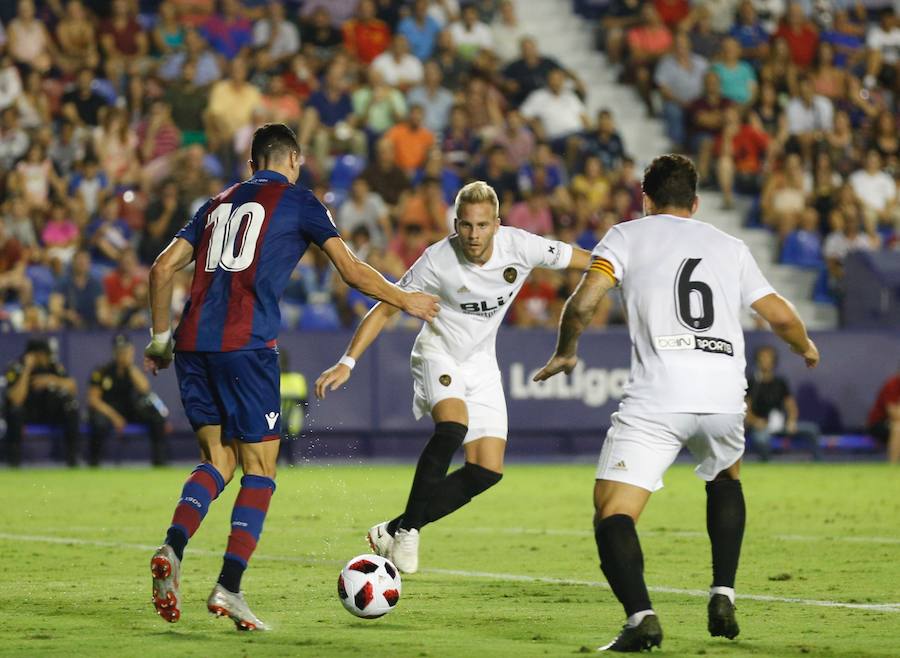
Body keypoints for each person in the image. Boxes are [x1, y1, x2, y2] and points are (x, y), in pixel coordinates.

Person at [143, 123, 439, 630]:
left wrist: (159, 336)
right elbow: (349, 270)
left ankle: (173, 545)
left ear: (252, 163)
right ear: (295, 160)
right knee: (260, 470)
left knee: (217, 460)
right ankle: (229, 588)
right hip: (247, 345)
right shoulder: (300, 201)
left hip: (193, 344)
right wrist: (405, 297)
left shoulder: (215, 203)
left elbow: (161, 267)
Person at [533, 154, 820, 651]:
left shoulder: (625, 236)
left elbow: (583, 302)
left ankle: (641, 617)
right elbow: (779, 313)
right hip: (724, 394)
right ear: (696, 201)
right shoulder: (730, 246)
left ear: (645, 199)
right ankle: (723, 591)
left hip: (659, 395)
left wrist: (566, 351)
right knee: (726, 477)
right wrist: (804, 346)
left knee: (613, 512)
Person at [315, 181, 591, 574]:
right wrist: (348, 361)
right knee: (452, 429)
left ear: (496, 224)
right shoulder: (436, 260)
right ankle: (409, 530)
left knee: (486, 471)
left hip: (481, 363)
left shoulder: (522, 246)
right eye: (465, 226)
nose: (474, 235)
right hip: (437, 353)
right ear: (455, 223)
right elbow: (385, 308)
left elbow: (585, 260)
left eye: (482, 226)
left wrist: (622, 269)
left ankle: (390, 530)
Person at [87, 335, 168, 467]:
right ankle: (94, 463)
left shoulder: (133, 371)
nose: (123, 354)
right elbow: (93, 400)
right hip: (109, 412)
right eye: (120, 351)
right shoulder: (102, 371)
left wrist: (130, 366)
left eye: (126, 351)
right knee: (98, 423)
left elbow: (145, 389)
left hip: (130, 410)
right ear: (114, 352)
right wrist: (114, 417)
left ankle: (159, 463)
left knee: (157, 419)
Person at [4, 338, 80, 467]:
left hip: (49, 411)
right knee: (15, 411)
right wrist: (27, 370)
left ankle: (72, 459)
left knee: (71, 406)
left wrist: (51, 380)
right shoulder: (16, 368)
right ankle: (14, 461)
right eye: (43, 354)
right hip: (26, 414)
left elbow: (73, 387)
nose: (46, 358)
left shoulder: (53, 367)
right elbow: (16, 399)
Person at [745, 345, 821, 460]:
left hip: (780, 425)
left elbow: (791, 406)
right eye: (762, 357)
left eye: (768, 357)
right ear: (757, 360)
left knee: (812, 430)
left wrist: (791, 421)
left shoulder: (780, 382)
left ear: (774, 361)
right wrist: (755, 421)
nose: (765, 360)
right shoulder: (752, 383)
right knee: (761, 440)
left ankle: (819, 464)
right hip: (761, 426)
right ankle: (768, 467)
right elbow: (745, 409)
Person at [867, 365, 900, 464]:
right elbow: (894, 414)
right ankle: (893, 465)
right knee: (898, 428)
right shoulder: (893, 384)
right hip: (879, 423)